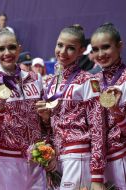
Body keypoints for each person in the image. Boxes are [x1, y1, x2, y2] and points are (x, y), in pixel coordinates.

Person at [36, 25, 106, 190]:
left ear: (81, 50)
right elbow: (51, 126)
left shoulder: (88, 80)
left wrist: (97, 174)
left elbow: (98, 127)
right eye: (60, 45)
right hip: (57, 158)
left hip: (78, 155)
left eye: (70, 48)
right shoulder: (51, 82)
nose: (62, 51)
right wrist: (46, 119)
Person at [0, 30, 47, 190]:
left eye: (11, 47)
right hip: (6, 162)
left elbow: (45, 123)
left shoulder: (35, 78)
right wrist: (0, 104)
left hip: (36, 160)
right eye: (1, 49)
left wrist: (46, 119)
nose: (7, 53)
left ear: (19, 49)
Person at [91, 23, 126, 189]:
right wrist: (96, 174)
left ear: (120, 46)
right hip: (101, 164)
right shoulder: (93, 82)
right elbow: (94, 128)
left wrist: (116, 112)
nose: (100, 54)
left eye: (105, 47)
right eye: (95, 49)